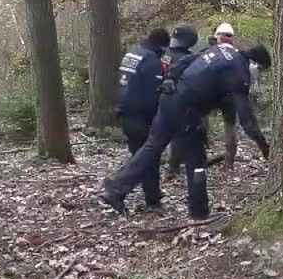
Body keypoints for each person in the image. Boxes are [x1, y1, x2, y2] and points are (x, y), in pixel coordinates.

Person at [103, 43, 271, 220]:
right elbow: (247, 120)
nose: (257, 74)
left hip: (170, 98)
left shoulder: (222, 49)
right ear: (254, 63)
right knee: (196, 160)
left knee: (152, 147)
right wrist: (265, 147)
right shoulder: (239, 73)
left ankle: (115, 189)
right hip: (187, 110)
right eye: (260, 69)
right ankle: (199, 211)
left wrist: (170, 78)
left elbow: (186, 61)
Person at [116, 28, 170, 209]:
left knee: (141, 157)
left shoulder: (133, 53)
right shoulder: (151, 61)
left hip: (125, 112)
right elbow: (152, 94)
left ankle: (152, 197)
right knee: (146, 158)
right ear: (161, 46)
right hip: (140, 116)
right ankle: (116, 191)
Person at [164, 24, 200, 180]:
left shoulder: (163, 54)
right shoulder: (191, 59)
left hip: (162, 100)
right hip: (180, 102)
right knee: (179, 135)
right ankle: (173, 166)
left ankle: (172, 164)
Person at [211, 23, 240, 166]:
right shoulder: (238, 54)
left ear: (219, 37)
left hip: (210, 94)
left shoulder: (210, 52)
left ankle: (196, 155)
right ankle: (229, 162)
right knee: (230, 126)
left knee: (199, 118)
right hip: (231, 95)